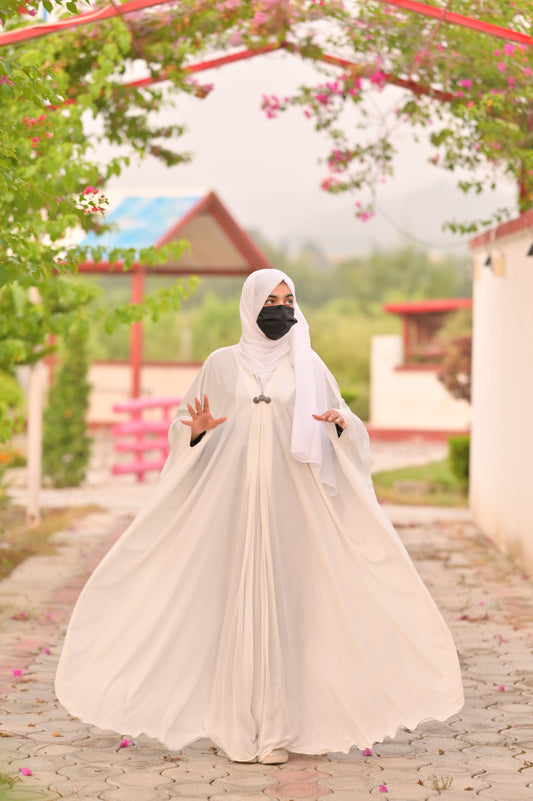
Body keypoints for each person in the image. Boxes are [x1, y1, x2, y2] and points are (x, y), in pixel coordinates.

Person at [55, 268, 464, 765]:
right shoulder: (221, 365)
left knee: (289, 610)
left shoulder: (309, 366)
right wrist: (198, 432)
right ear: (250, 305)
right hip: (232, 508)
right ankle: (235, 726)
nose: (281, 308)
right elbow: (182, 434)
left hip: (295, 511)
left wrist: (341, 426)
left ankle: (277, 730)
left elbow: (346, 431)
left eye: (288, 298)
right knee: (234, 604)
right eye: (270, 299)